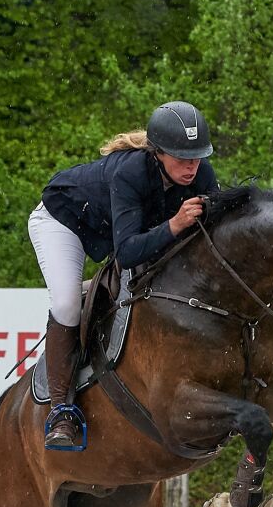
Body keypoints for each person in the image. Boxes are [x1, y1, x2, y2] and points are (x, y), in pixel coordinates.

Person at [27, 101, 219, 450]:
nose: (191, 166)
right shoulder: (130, 173)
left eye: (197, 156)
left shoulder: (200, 174)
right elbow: (128, 251)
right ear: (158, 153)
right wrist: (175, 224)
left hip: (109, 230)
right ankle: (61, 411)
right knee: (68, 304)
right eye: (181, 157)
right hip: (63, 221)